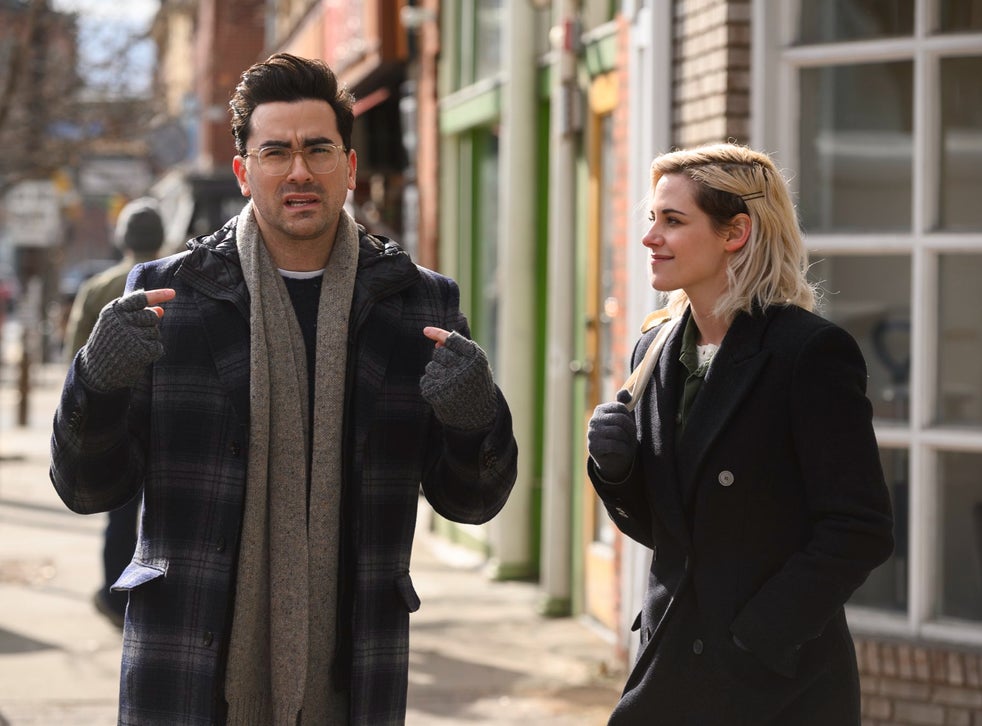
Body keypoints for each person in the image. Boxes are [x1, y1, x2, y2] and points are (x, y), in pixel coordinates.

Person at [50, 53, 518, 726]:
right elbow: (86, 488)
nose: (299, 171)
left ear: (348, 167)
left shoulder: (418, 306)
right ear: (245, 172)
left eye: (318, 149)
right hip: (184, 675)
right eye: (275, 152)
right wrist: (95, 383)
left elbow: (472, 502)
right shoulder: (168, 296)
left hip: (352, 681)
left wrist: (476, 419)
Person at [586, 142, 894, 725]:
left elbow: (860, 528)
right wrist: (617, 473)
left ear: (736, 232)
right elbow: (671, 531)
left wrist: (761, 633)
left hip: (777, 682)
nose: (650, 237)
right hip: (673, 660)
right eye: (652, 218)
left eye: (673, 220)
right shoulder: (653, 350)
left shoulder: (809, 353)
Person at [63, 197, 166, 629]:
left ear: (123, 238)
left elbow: (77, 361)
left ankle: (114, 595)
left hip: (115, 418)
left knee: (120, 510)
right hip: (167, 416)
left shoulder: (97, 288)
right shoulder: (178, 280)